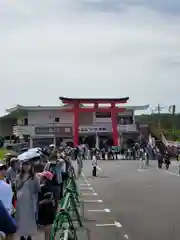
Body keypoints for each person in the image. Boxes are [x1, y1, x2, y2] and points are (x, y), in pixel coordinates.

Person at [15, 160, 40, 240]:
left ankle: (29, 235)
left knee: (30, 218)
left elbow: (38, 189)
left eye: (27, 165)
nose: (26, 167)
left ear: (31, 166)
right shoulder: (19, 176)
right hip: (21, 199)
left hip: (30, 200)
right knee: (21, 218)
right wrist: (22, 182)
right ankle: (21, 234)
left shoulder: (35, 177)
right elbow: (17, 187)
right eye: (24, 165)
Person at [37, 171, 56, 240]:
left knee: (47, 226)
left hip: (47, 209)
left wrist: (40, 203)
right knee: (47, 225)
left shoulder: (45, 188)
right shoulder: (48, 187)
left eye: (41, 177)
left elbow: (49, 199)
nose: (40, 178)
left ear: (45, 179)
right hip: (48, 209)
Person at [0, 162, 16, 240]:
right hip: (1, 210)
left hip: (8, 210)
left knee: (10, 231)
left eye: (4, 169)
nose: (3, 171)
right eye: (0, 169)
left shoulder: (7, 181)